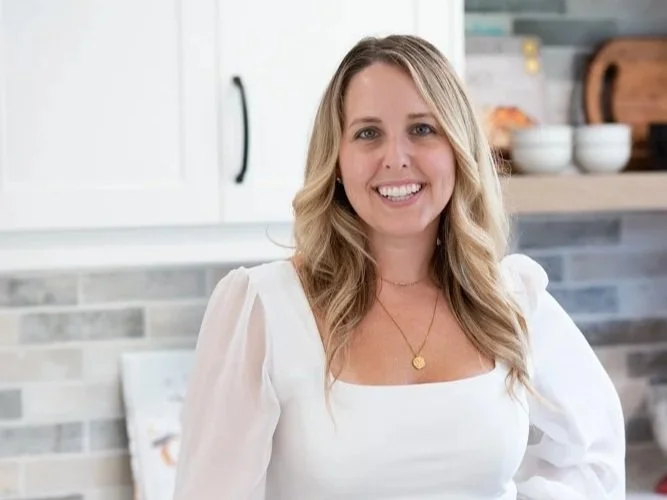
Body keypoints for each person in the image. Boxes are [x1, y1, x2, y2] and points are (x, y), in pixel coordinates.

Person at [172, 34, 626, 499]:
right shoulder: (264, 309)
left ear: (457, 148)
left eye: (422, 129)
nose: (396, 159)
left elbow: (596, 459)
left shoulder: (510, 300)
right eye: (368, 133)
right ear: (337, 161)